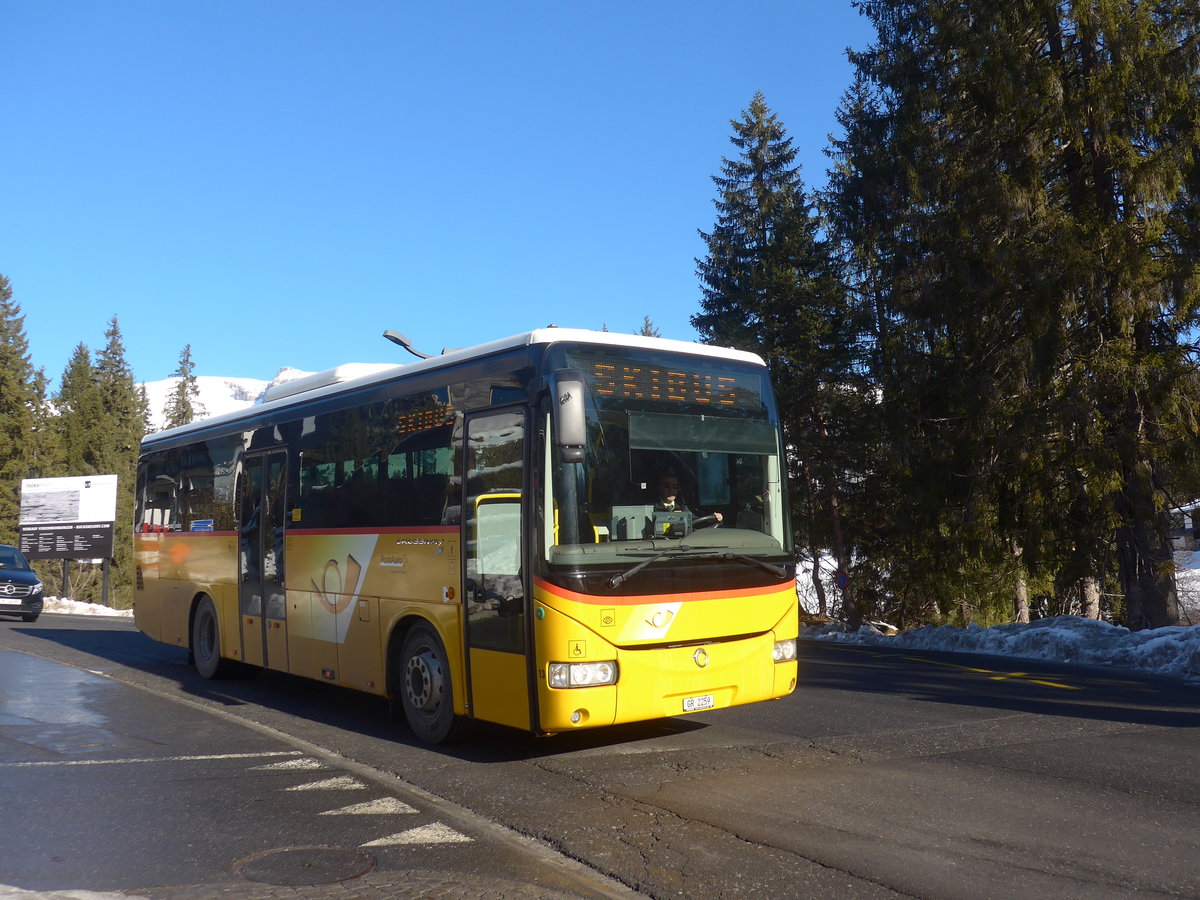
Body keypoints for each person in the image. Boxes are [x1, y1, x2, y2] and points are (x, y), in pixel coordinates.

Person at [653, 473, 722, 525]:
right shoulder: (651, 508)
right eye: (667, 486)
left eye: (675, 486)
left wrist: (712, 519)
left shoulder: (683, 508)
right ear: (659, 487)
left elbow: (696, 522)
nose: (671, 490)